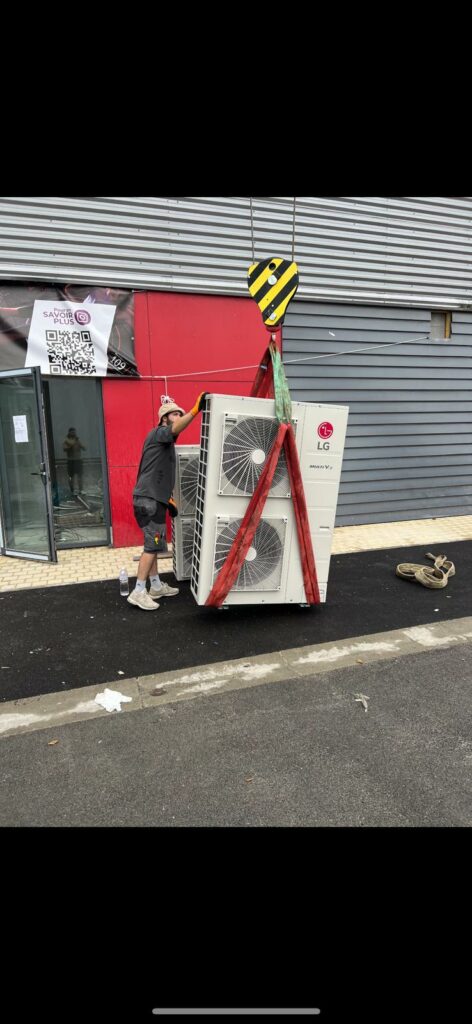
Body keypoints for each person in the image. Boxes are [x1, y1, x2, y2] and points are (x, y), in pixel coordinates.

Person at [127, 392, 207, 611]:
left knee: (154, 545)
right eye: (175, 414)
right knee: (151, 546)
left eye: (180, 414)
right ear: (164, 418)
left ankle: (155, 586)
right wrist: (194, 410)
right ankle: (138, 591)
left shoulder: (164, 442)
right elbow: (176, 428)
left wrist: (166, 499)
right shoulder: (160, 433)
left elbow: (158, 474)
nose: (178, 417)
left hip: (153, 499)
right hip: (149, 500)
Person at [63, 427, 86, 495]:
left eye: (74, 432)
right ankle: (72, 490)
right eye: (72, 432)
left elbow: (84, 448)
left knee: (80, 476)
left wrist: (82, 446)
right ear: (69, 432)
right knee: (71, 477)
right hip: (71, 461)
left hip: (78, 460)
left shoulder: (77, 440)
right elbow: (65, 449)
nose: (74, 433)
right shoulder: (66, 440)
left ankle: (81, 490)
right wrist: (71, 445)